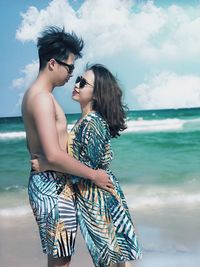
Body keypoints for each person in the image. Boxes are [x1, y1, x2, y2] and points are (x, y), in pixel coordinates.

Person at [32, 64, 142, 266]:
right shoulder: (86, 121)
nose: (77, 85)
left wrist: (47, 163)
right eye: (78, 80)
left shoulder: (92, 123)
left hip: (99, 199)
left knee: (112, 259)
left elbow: (85, 168)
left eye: (83, 83)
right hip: (94, 196)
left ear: (96, 93)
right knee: (116, 259)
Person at [22, 27, 114, 267]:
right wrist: (94, 175)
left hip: (53, 181)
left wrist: (46, 159)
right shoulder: (41, 98)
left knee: (62, 256)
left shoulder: (42, 95)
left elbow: (42, 147)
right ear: (53, 63)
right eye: (70, 67)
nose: (72, 74)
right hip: (50, 185)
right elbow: (52, 153)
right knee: (61, 259)